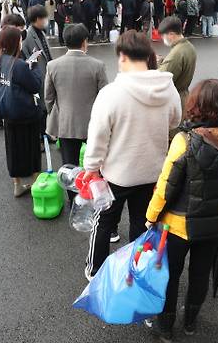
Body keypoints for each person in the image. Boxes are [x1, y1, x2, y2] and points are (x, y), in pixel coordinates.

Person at [145, 79, 218, 341]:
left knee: (170, 275)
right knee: (199, 275)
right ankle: (191, 322)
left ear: (195, 106)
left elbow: (166, 186)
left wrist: (150, 217)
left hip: (177, 225)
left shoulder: (185, 140)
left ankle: (166, 327)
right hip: (215, 225)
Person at [84, 30, 181, 281]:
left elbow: (98, 136)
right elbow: (175, 121)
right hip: (152, 172)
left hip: (116, 174)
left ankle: (96, 272)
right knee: (141, 224)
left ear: (123, 56)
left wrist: (92, 167)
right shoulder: (166, 88)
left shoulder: (112, 93)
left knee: (104, 221)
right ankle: (136, 273)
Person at [44, 24, 108, 206]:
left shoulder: (52, 65)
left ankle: (74, 201)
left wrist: (55, 114)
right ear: (84, 42)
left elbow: (48, 98)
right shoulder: (97, 66)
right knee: (97, 163)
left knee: (69, 165)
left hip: (65, 124)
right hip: (92, 125)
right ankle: (98, 196)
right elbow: (105, 97)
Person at [0, 26, 44, 197]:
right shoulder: (19, 65)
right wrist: (35, 66)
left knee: (13, 148)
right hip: (25, 112)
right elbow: (35, 85)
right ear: (15, 42)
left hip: (7, 111)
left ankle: (17, 184)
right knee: (32, 148)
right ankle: (36, 182)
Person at [157, 17, 197, 121]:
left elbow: (161, 79)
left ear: (171, 34)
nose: (163, 39)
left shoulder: (177, 53)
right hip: (184, 96)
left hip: (176, 100)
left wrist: (157, 64)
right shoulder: (189, 47)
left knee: (175, 134)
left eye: (163, 36)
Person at [22, 5, 53, 137]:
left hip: (47, 74)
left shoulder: (41, 32)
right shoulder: (28, 36)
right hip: (37, 76)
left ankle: (45, 133)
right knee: (40, 107)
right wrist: (34, 58)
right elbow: (26, 59)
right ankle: (41, 135)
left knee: (45, 107)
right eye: (44, 18)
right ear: (37, 19)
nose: (46, 20)